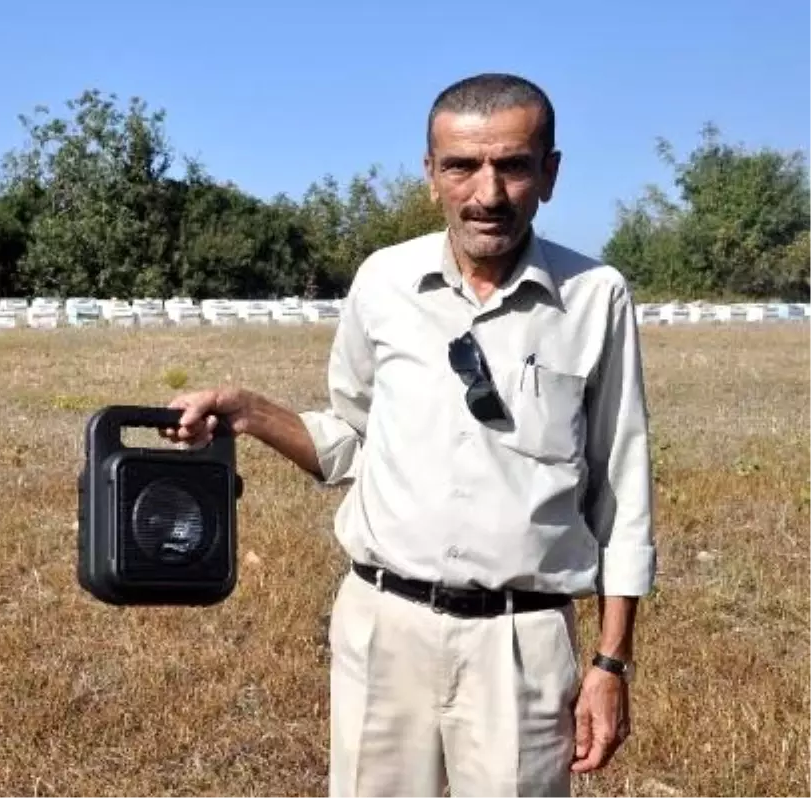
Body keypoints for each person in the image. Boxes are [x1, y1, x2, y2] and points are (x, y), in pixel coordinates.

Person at [161, 72, 655, 797]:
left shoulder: (595, 298)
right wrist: (247, 410)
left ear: (549, 174)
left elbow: (622, 490)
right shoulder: (383, 282)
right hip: (382, 629)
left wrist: (611, 666)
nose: (487, 194)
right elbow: (352, 438)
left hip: (520, 642)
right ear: (431, 176)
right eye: (462, 166)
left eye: (513, 166)